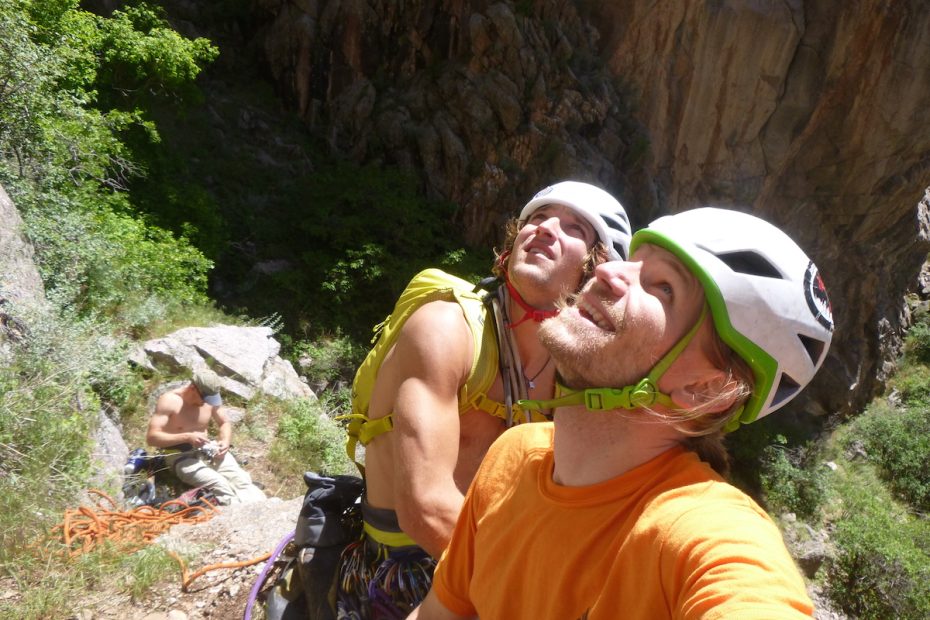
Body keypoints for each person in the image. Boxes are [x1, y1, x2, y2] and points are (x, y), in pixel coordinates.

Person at [410, 207, 834, 619]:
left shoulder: (702, 536)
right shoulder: (514, 457)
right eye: (633, 262)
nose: (607, 272)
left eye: (663, 286)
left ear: (705, 388)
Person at [334, 181, 632, 618]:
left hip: (495, 554)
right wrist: (542, 590)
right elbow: (425, 510)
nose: (546, 228)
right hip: (404, 567)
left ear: (595, 268)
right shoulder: (445, 327)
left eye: (573, 228)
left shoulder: (576, 373)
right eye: (537, 218)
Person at [146, 370, 266, 505]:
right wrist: (187, 437)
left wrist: (225, 441)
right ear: (193, 388)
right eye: (204, 398)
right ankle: (237, 512)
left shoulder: (208, 401)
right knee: (220, 485)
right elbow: (151, 438)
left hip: (208, 450)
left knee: (242, 480)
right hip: (180, 457)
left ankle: (264, 507)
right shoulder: (170, 401)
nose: (206, 403)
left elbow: (224, 423)